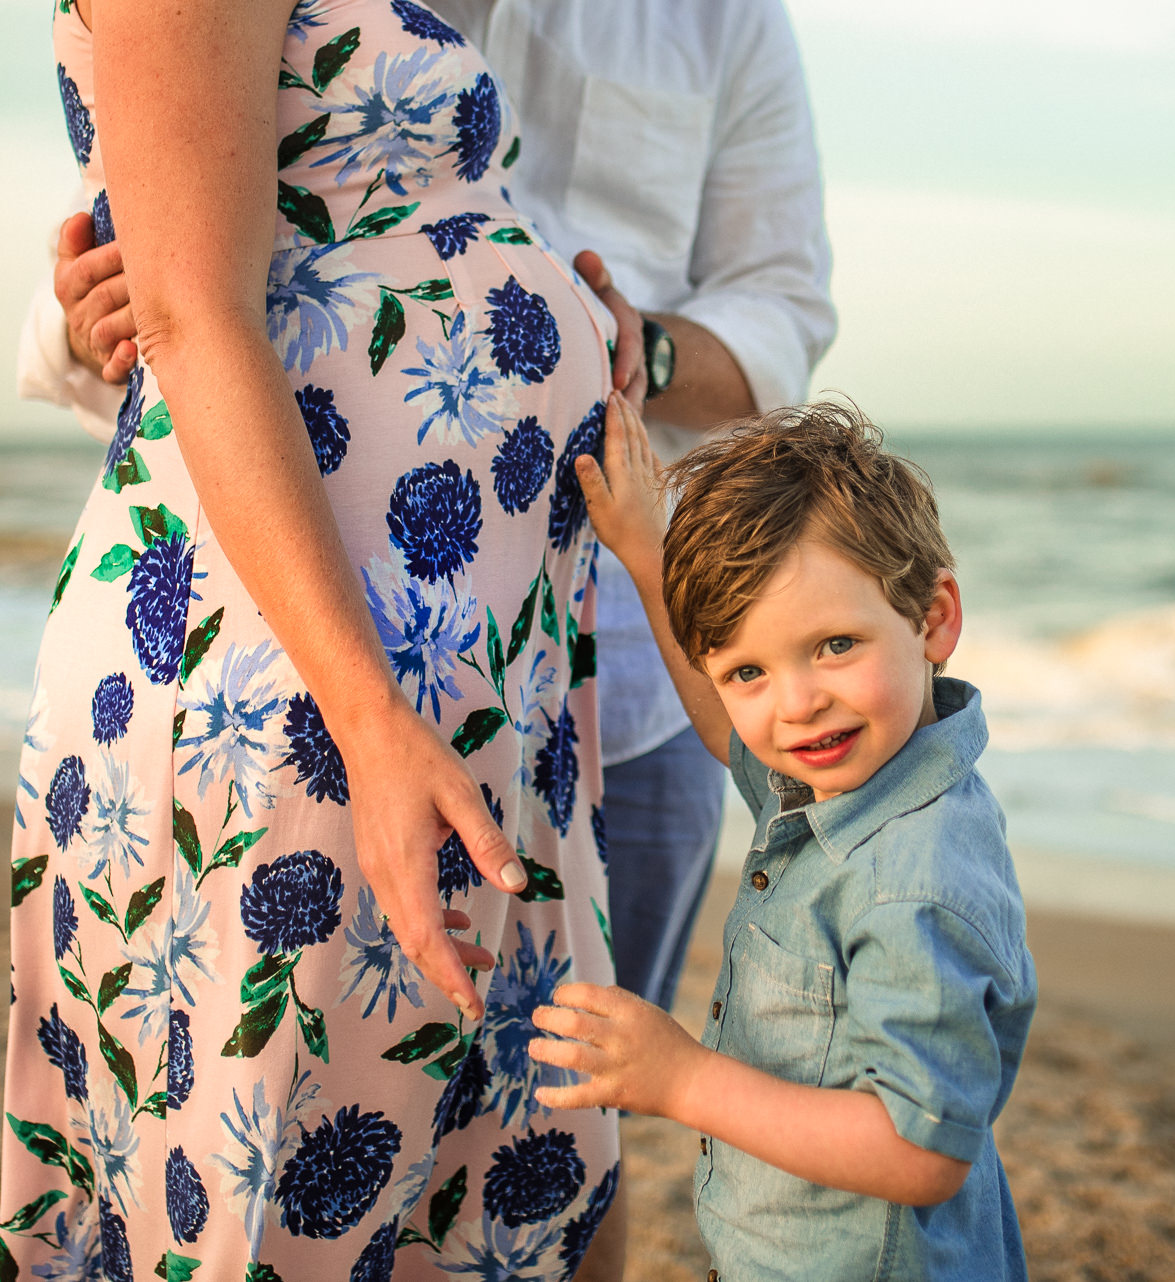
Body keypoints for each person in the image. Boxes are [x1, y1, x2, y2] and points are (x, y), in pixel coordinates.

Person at [19, 0, 837, 1020]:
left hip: (626, 662)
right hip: (308, 629)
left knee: (587, 1097)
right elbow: (174, 249)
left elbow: (785, 310)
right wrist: (91, 301)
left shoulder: (722, 19)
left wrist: (633, 342)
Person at [3, 1, 620, 1276]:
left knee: (484, 1196)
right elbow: (191, 316)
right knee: (278, 1204)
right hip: (296, 692)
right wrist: (373, 720)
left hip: (477, 673)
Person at [532, 395, 1037, 1279]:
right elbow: (732, 733)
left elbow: (917, 1151)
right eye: (749, 670)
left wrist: (683, 1080)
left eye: (835, 644)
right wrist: (652, 560)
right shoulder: (849, 773)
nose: (796, 705)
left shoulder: (915, 875)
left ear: (935, 619)